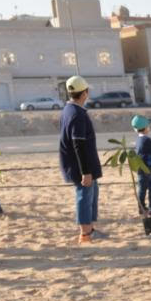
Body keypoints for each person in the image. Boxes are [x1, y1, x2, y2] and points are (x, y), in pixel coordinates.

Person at [59, 76, 102, 243]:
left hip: (78, 162)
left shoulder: (69, 110)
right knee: (84, 196)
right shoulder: (77, 114)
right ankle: (85, 233)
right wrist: (86, 172)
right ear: (85, 93)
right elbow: (79, 145)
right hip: (80, 165)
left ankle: (90, 229)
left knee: (92, 194)